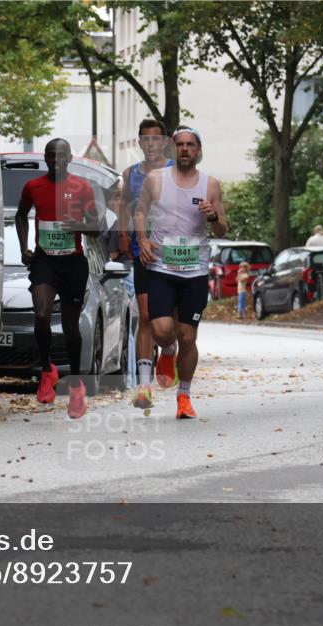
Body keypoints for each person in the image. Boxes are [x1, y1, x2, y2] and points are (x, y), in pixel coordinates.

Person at [133, 126, 227, 419]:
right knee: (161, 331)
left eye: (191, 145)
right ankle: (168, 351)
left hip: (195, 273)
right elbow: (140, 211)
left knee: (188, 337)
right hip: (162, 267)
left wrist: (213, 216)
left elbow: (222, 228)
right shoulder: (155, 180)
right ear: (173, 149)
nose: (185, 149)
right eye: (181, 145)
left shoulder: (210, 185)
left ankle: (184, 396)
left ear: (198, 151)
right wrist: (142, 239)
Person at [15, 138, 101, 419]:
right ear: (45, 158)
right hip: (44, 260)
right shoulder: (33, 187)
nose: (54, 161)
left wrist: (77, 224)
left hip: (73, 262)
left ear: (69, 157)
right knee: (41, 314)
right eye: (50, 156)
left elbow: (95, 228)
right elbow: (20, 216)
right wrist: (24, 247)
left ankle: (76, 385)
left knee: (70, 327)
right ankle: (47, 370)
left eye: (60, 156)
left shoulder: (82, 187)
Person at [116, 119, 176, 408]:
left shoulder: (175, 171)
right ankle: (143, 387)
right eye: (145, 139)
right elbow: (124, 206)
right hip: (144, 253)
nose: (151, 144)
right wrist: (125, 236)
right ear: (139, 143)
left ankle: (169, 350)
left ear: (164, 142)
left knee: (169, 321)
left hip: (174, 255)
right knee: (146, 316)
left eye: (156, 139)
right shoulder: (130, 174)